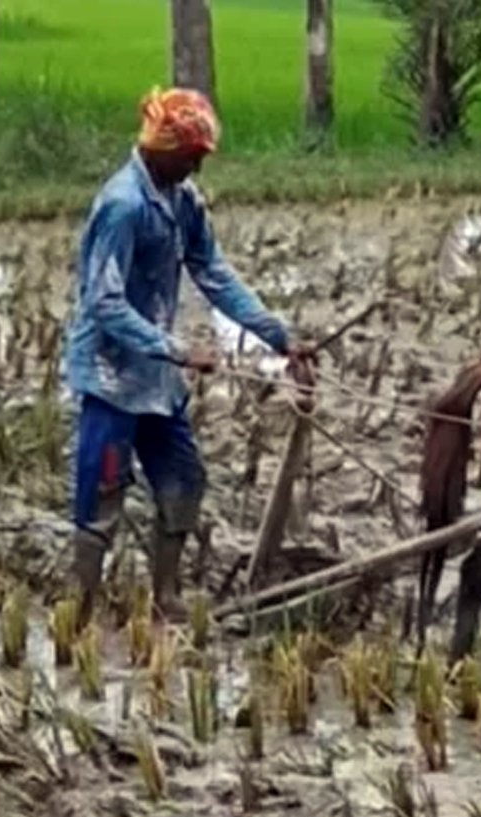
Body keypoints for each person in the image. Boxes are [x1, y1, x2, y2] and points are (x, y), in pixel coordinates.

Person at [60, 85, 315, 625]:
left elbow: (214, 273)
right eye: (194, 156)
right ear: (165, 148)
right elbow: (103, 302)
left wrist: (277, 334)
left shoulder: (183, 201)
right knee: (104, 493)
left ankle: (166, 596)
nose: (199, 166)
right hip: (111, 375)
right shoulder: (123, 205)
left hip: (155, 380)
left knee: (184, 481)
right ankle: (78, 607)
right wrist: (176, 349)